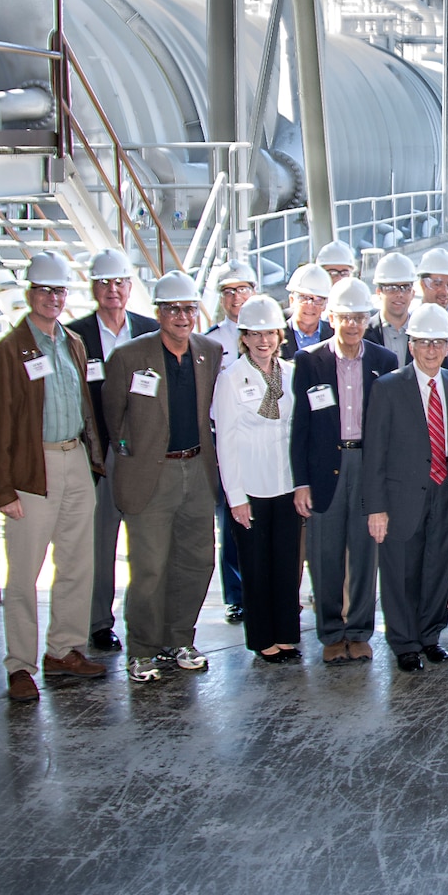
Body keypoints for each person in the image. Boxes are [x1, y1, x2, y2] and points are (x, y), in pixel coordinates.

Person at [0, 252, 107, 702]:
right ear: (29, 294)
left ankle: (63, 650)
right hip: (32, 471)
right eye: (44, 290)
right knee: (24, 575)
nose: (52, 298)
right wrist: (3, 490)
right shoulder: (6, 352)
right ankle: (20, 665)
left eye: (58, 291)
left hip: (73, 460)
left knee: (77, 564)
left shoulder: (73, 343)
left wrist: (92, 460)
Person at [103, 271, 222, 684]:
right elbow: (113, 416)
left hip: (197, 471)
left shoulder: (211, 351)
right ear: (158, 313)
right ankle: (142, 649)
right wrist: (133, 456)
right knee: (150, 567)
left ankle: (179, 639)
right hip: (152, 475)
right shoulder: (129, 358)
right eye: (173, 309)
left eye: (189, 308)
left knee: (196, 561)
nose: (182, 316)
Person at [290, 277, 396, 664]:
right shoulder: (309, 361)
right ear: (330, 317)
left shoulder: (384, 361)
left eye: (359, 317)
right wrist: (300, 482)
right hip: (324, 469)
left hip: (368, 465)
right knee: (325, 554)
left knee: (366, 550)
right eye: (345, 317)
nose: (352, 325)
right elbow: (299, 427)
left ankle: (360, 630)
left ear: (368, 320)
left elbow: (390, 427)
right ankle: (332, 633)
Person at [363, 303, 448, 672]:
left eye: (439, 342)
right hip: (401, 497)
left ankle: (430, 636)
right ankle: (404, 642)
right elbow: (373, 453)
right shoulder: (388, 387)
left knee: (438, 568)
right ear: (411, 345)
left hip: (447, 494)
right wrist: (375, 507)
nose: (432, 350)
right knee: (400, 572)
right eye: (424, 342)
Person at [67, 247, 156, 655]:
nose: (112, 290)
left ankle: (146, 621)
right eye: (104, 283)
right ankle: (99, 623)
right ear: (93, 288)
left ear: (130, 286)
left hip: (143, 455)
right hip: (101, 458)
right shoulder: (75, 337)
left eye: (119, 282)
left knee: (147, 545)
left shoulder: (149, 331)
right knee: (100, 545)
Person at [211, 294, 303, 663]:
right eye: (255, 334)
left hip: (285, 484)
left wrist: (301, 485)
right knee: (256, 566)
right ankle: (263, 638)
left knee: (285, 565)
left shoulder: (292, 375)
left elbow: (296, 432)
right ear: (243, 337)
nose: (263, 341)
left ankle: (286, 634)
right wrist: (235, 497)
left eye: (270, 333)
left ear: (280, 336)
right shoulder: (230, 379)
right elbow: (226, 442)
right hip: (249, 487)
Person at [204, 258, 257, 624]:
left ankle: (264, 590)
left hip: (265, 440)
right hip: (226, 439)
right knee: (231, 519)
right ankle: (236, 596)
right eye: (228, 291)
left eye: (242, 289)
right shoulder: (210, 342)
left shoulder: (269, 333)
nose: (236, 297)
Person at [364, 251, 420, 366]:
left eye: (405, 287)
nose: (399, 294)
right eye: (392, 288)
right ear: (379, 292)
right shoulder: (363, 334)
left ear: (413, 293)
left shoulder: (424, 333)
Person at [282, 262, 333, 357]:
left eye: (318, 299)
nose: (310, 304)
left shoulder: (335, 335)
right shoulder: (276, 337)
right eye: (304, 297)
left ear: (325, 304)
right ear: (292, 300)